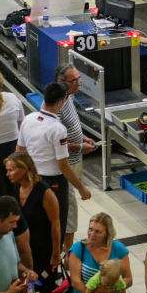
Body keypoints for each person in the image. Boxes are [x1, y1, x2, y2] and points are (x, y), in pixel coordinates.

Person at [14, 82, 89, 239]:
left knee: (34, 224)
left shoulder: (28, 119)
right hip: (53, 183)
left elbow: (19, 152)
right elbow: (64, 166)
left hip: (31, 179)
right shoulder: (57, 129)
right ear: (60, 102)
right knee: (55, 225)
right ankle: (54, 257)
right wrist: (81, 188)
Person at [1, 154, 60, 293]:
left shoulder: (44, 192)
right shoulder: (15, 189)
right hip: (22, 250)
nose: (7, 174)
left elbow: (56, 224)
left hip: (42, 251)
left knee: (42, 289)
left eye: (11, 170)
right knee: (25, 289)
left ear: (25, 168)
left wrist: (56, 253)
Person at [53, 65, 97, 253]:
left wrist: (83, 137)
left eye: (79, 79)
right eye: (75, 81)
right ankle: (66, 257)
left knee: (70, 211)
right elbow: (55, 144)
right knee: (69, 214)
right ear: (61, 82)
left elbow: (72, 124)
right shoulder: (56, 105)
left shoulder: (68, 97)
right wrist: (79, 146)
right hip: (64, 168)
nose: (79, 83)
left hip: (74, 161)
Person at [68, 212, 130, 293]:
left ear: (108, 233)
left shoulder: (118, 249)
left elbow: (128, 279)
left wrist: (110, 291)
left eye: (98, 231)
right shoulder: (78, 248)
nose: (92, 234)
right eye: (90, 229)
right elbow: (75, 282)